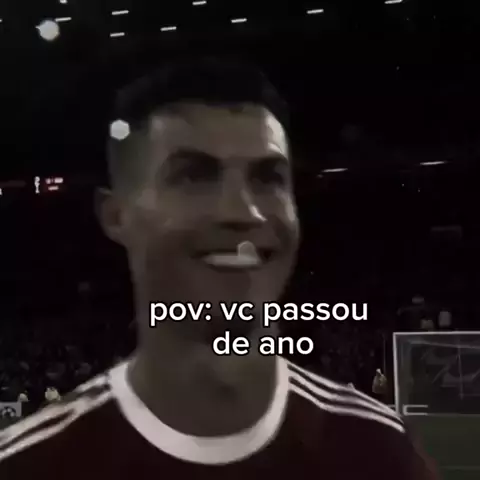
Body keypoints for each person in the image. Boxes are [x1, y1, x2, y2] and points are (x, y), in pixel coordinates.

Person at [0, 57, 437, 479]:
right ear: (117, 215)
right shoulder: (30, 465)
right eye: (194, 175)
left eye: (268, 177)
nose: (243, 212)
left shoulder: (378, 453)